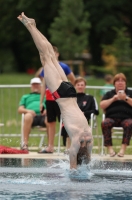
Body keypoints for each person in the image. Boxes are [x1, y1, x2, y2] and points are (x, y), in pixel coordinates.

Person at [17, 12, 93, 169]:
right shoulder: (78, 141)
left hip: (70, 92)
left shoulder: (88, 137)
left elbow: (87, 156)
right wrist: (75, 168)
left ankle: (33, 26)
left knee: (50, 54)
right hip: (62, 95)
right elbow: (74, 158)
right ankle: (30, 26)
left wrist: (85, 161)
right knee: (46, 56)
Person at [39, 46, 75, 153]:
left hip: (61, 98)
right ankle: (51, 146)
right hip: (50, 98)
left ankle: (68, 146)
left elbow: (73, 79)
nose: (51, 55)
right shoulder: (45, 67)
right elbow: (43, 85)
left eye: (53, 53)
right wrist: (41, 101)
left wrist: (69, 91)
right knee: (51, 122)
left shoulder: (63, 66)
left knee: (66, 121)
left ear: (57, 54)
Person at [100, 73, 132, 157]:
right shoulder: (109, 93)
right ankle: (110, 149)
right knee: (105, 123)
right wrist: (113, 99)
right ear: (114, 83)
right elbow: (102, 105)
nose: (120, 83)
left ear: (125, 83)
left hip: (127, 118)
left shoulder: (130, 92)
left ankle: (123, 149)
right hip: (111, 118)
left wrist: (126, 98)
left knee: (129, 123)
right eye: (118, 81)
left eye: (122, 81)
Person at [62, 76, 99, 150]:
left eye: (82, 85)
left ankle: (83, 150)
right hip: (72, 121)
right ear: (75, 86)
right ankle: (68, 148)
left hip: (84, 121)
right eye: (78, 85)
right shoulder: (71, 98)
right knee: (68, 126)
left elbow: (96, 111)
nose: (80, 87)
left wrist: (84, 113)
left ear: (85, 86)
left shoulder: (90, 98)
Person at [18, 77, 47, 150]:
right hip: (31, 116)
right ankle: (25, 144)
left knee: (50, 117)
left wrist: (47, 110)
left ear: (41, 86)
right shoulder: (26, 97)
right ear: (31, 86)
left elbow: (51, 106)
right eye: (34, 84)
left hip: (44, 116)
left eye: (37, 84)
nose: (36, 86)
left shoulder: (45, 96)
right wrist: (28, 111)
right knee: (27, 116)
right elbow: (20, 109)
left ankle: (50, 146)